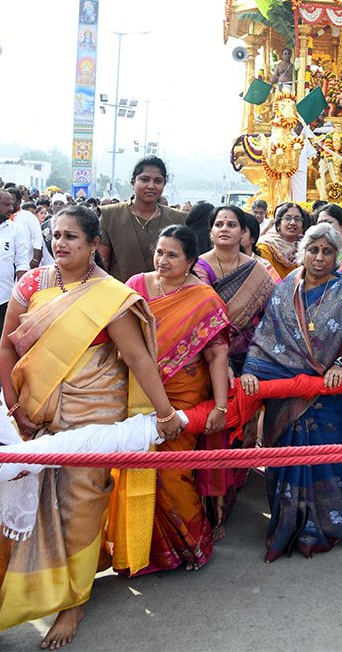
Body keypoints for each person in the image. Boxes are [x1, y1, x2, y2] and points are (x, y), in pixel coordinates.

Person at [0, 205, 181, 646]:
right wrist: (12, 406)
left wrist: (165, 414)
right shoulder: (31, 284)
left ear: (95, 244)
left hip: (93, 414)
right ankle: (22, 590)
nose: (60, 243)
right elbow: (5, 347)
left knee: (79, 506)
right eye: (55, 235)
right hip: (32, 410)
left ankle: (73, 601)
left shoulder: (110, 296)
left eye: (71, 237)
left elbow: (138, 359)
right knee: (25, 497)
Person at [240, 223, 342, 562]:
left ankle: (327, 525)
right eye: (314, 250)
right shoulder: (285, 289)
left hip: (328, 395)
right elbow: (266, 336)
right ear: (303, 251)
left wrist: (340, 363)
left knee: (327, 459)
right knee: (285, 461)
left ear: (336, 255)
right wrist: (252, 369)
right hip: (286, 391)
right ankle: (284, 527)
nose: (320, 257)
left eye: (328, 251)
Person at [114, 224, 230, 575]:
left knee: (171, 472)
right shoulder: (135, 285)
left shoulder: (204, 298)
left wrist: (221, 406)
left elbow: (217, 357)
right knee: (134, 471)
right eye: (159, 252)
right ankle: (140, 552)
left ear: (192, 260)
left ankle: (193, 545)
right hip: (136, 392)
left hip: (183, 394)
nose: (162, 260)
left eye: (172, 255)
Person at [193, 206, 278, 533]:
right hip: (208, 359)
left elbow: (271, 318)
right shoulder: (199, 266)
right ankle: (215, 508)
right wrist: (222, 360)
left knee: (246, 430)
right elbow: (205, 315)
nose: (225, 229)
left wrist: (255, 359)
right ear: (211, 231)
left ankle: (236, 484)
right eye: (219, 224)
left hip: (251, 359)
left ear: (244, 232)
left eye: (232, 224)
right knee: (214, 431)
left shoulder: (258, 271)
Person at [99, 157, 187, 282]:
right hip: (121, 296)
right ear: (133, 182)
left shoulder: (178, 218)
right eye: (145, 179)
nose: (151, 186)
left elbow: (184, 265)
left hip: (165, 296)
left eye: (157, 181)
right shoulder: (110, 215)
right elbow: (102, 265)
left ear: (163, 185)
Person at [0, 190, 28, 338]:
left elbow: (22, 262)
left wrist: (18, 295)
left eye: (11, 204)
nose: (11, 208)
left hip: (4, 299)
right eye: (6, 205)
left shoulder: (15, 230)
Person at [256, 202, 306, 279]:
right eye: (287, 218)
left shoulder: (304, 248)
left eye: (297, 219)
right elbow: (266, 281)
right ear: (278, 224)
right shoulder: (265, 247)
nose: (293, 223)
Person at [7, 186, 42, 269]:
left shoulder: (28, 216)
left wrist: (36, 259)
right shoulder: (2, 217)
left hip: (25, 262)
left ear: (19, 202)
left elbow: (37, 238)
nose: (8, 203)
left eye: (12, 200)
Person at [241, 212, 281, 282]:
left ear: (253, 238)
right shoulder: (224, 263)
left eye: (243, 232)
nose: (236, 234)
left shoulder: (263, 266)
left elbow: (277, 290)